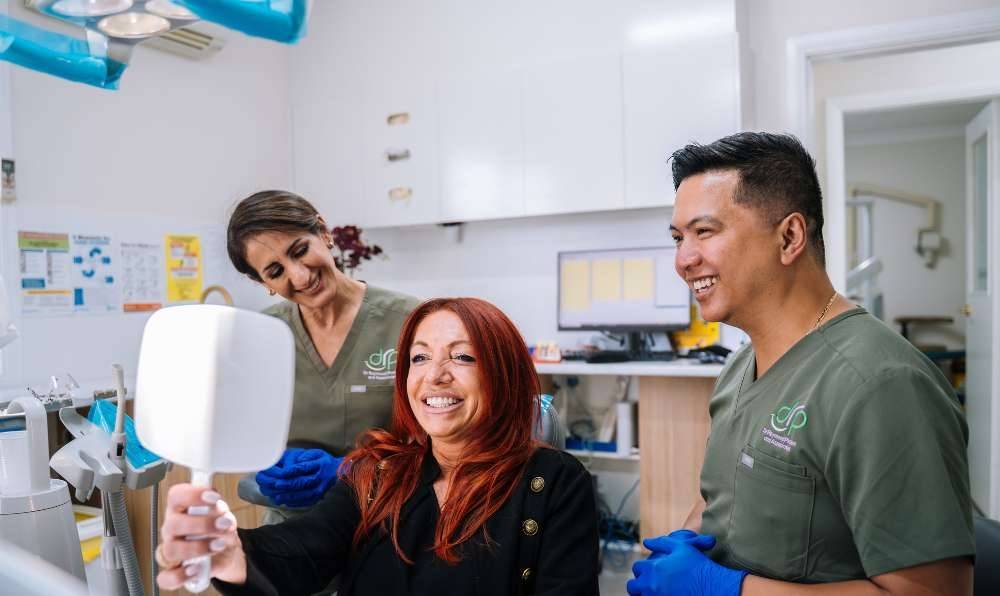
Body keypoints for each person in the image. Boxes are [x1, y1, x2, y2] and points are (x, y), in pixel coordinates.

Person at [627, 132, 974, 596]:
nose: (683, 260)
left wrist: (726, 588)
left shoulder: (880, 385)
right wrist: (684, 548)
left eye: (704, 232)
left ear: (789, 237)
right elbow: (720, 496)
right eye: (678, 237)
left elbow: (933, 594)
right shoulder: (741, 366)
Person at [154, 297, 601, 595]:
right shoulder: (379, 473)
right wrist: (230, 551)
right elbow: (303, 549)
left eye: (462, 357)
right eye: (419, 357)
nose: (435, 375)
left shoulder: (555, 484)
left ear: (504, 375)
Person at [226, 190, 420, 518]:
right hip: (291, 534)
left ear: (323, 231)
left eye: (300, 250)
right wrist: (267, 462)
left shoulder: (411, 321)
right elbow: (249, 432)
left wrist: (350, 470)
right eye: (275, 272)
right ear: (260, 281)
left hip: (389, 524)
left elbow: (448, 443)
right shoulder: (263, 335)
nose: (300, 276)